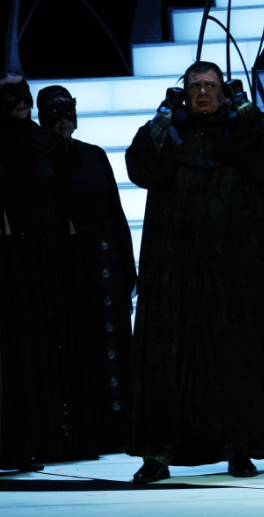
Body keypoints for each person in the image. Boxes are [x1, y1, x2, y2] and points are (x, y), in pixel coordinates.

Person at [125, 61, 264, 484]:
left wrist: (243, 104)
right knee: (167, 354)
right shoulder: (168, 130)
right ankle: (158, 452)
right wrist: (164, 115)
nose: (203, 92)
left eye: (211, 85)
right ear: (183, 92)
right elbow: (140, 166)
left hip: (234, 264)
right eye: (195, 86)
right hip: (174, 265)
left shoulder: (242, 130)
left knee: (235, 351)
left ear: (223, 91)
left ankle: (239, 446)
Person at [37, 85, 136, 453]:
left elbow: (115, 210)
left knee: (114, 345)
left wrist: (127, 265)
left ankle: (121, 430)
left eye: (68, 110)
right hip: (67, 266)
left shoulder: (94, 155)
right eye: (54, 112)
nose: (63, 119)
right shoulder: (42, 163)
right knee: (80, 348)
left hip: (106, 263)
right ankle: (85, 433)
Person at [0, 71, 71, 470]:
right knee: (16, 347)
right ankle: (16, 442)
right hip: (10, 256)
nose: (21, 100)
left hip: (44, 254)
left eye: (24, 92)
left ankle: (46, 438)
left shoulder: (46, 143)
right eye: (10, 94)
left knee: (43, 344)